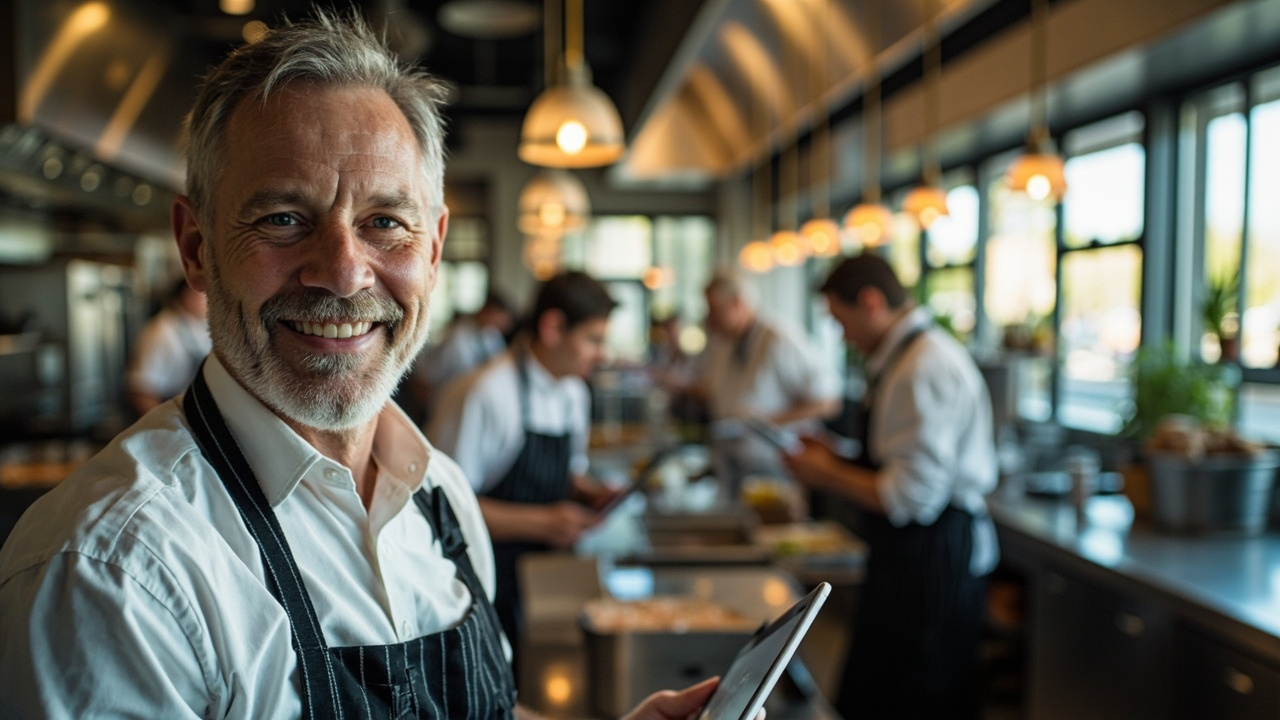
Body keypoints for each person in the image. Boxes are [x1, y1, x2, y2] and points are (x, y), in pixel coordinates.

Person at [0, 14, 733, 720]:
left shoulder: (441, 495)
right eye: (285, 218)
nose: (345, 273)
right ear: (196, 246)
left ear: (435, 248)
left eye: (385, 222)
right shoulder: (110, 570)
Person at [782, 253, 999, 720]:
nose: (845, 337)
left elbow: (910, 497)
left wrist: (823, 473)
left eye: (843, 322)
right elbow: (896, 462)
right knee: (872, 695)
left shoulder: (924, 367)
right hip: (906, 563)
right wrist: (836, 455)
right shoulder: (903, 359)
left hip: (933, 560)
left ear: (872, 302)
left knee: (917, 699)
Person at [427, 270, 619, 654]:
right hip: (484, 580)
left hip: (548, 576)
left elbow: (567, 473)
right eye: (593, 340)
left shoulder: (574, 393)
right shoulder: (487, 393)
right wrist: (544, 522)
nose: (603, 354)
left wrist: (590, 492)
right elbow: (443, 509)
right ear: (552, 328)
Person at [698, 269, 842, 490]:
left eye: (714, 310)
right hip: (733, 464)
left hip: (776, 468)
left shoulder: (780, 339)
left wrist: (764, 423)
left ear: (737, 303)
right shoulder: (725, 343)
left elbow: (827, 402)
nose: (710, 319)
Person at [403, 290, 515, 424]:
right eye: (500, 316)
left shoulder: (492, 335)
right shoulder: (458, 336)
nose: (504, 323)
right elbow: (427, 377)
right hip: (445, 401)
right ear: (487, 311)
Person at [125, 277, 211, 415]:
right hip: (173, 415)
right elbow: (140, 390)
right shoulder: (160, 331)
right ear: (186, 296)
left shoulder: (198, 326)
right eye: (204, 294)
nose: (210, 300)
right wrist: (166, 426)